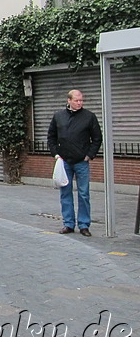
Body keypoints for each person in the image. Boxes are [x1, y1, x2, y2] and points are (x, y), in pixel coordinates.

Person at [47, 89, 102, 237]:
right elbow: (51, 137)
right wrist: (56, 154)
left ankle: (84, 225)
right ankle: (68, 224)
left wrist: (89, 155)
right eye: (77, 100)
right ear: (69, 100)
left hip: (81, 162)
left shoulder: (89, 117)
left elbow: (97, 138)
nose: (79, 103)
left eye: (81, 100)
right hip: (64, 161)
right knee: (65, 193)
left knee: (84, 194)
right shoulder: (58, 116)